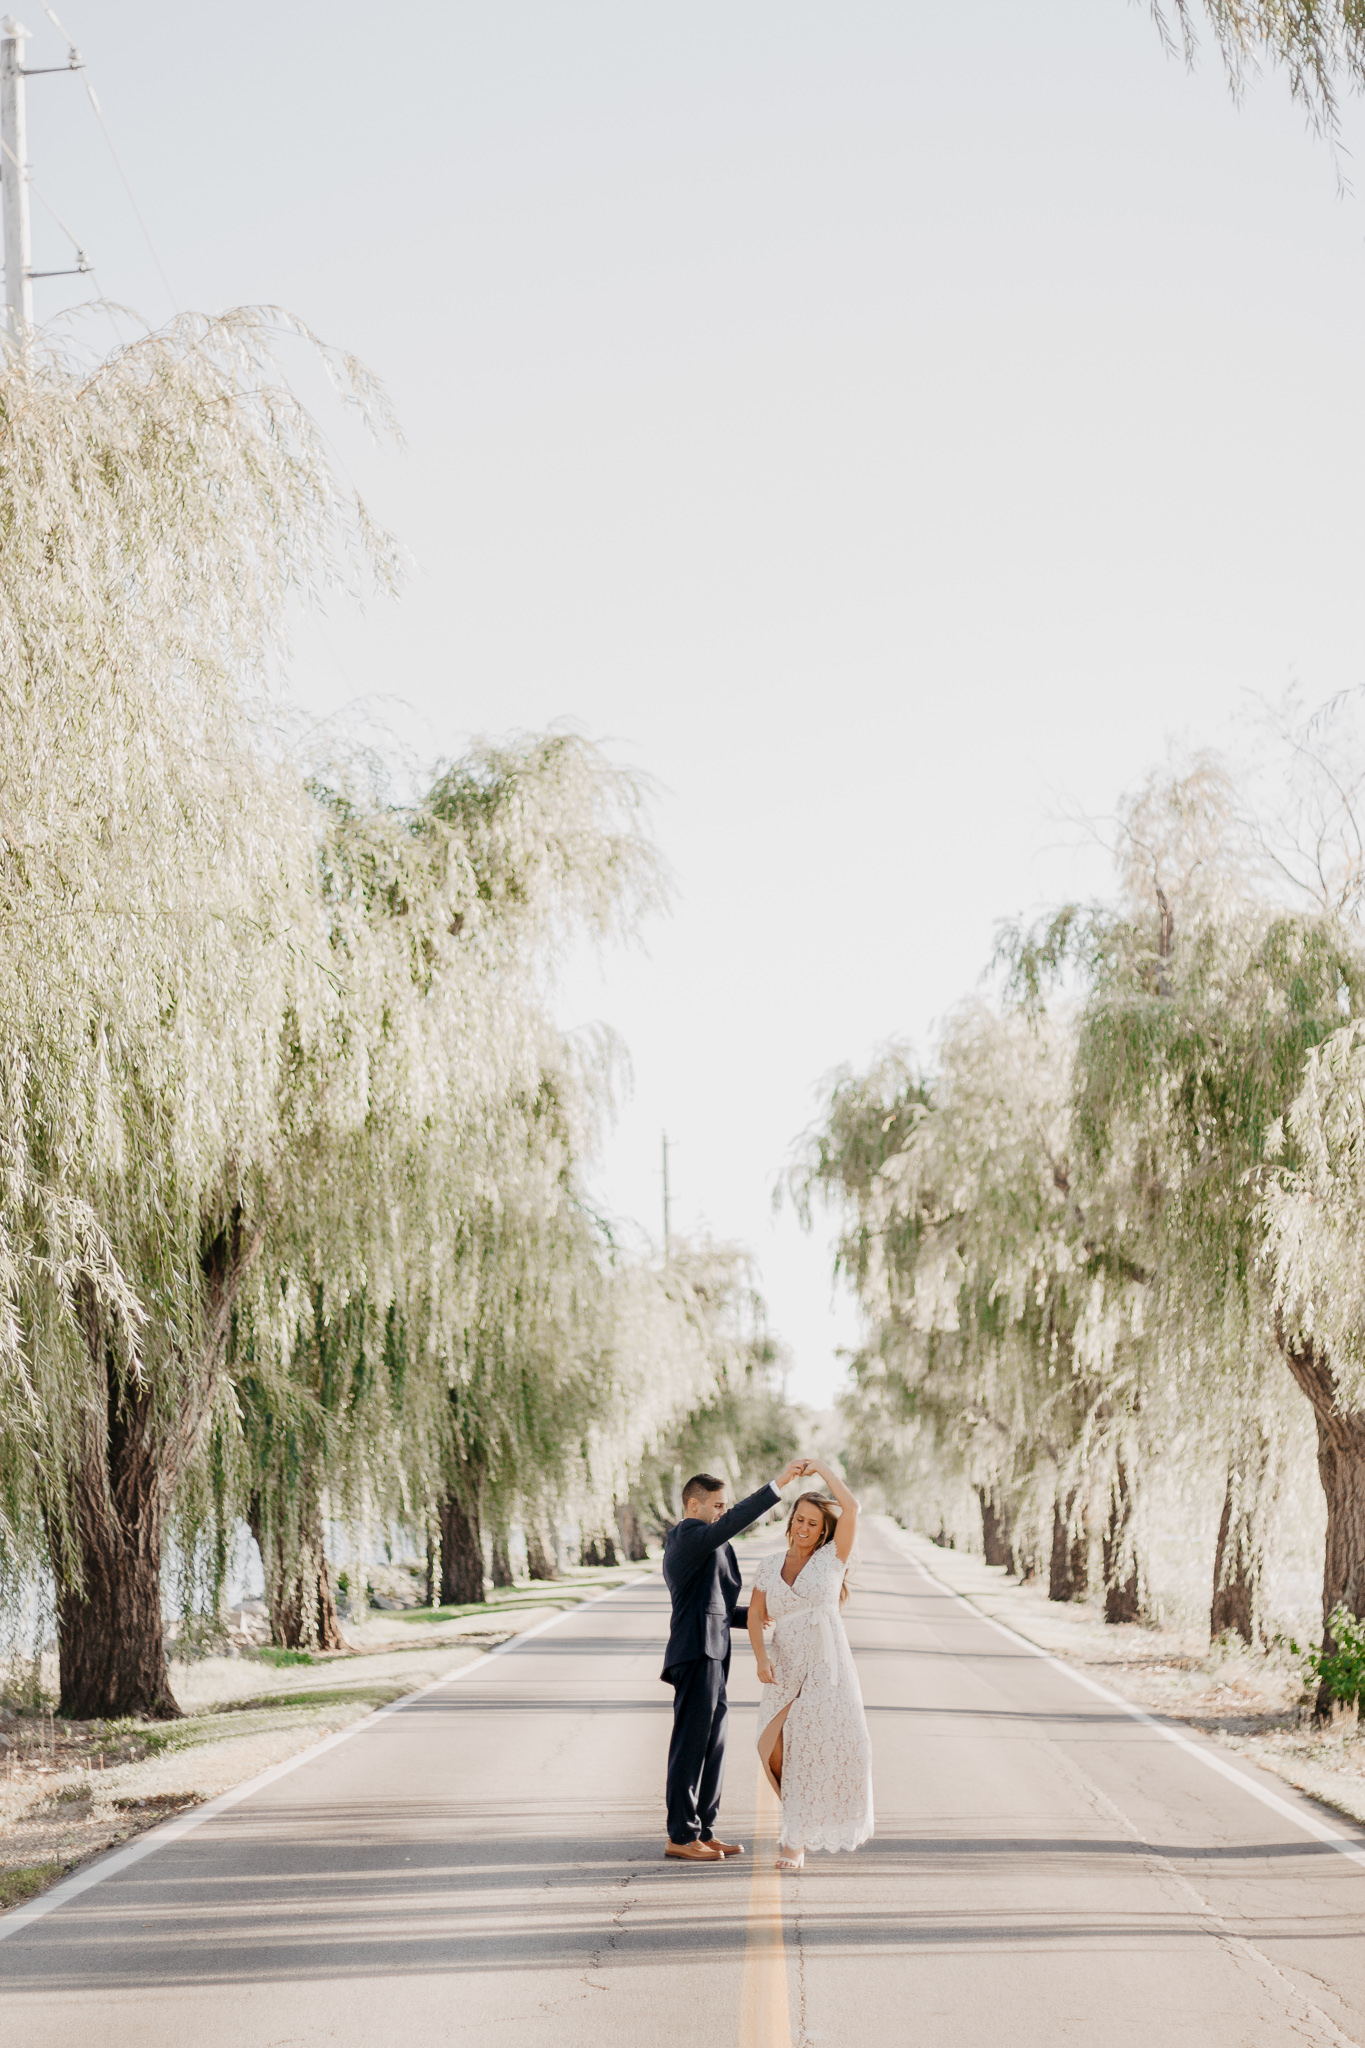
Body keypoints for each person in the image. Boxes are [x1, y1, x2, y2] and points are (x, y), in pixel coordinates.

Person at [660, 1459, 812, 1863]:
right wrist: (778, 1484)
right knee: (690, 1746)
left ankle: (703, 1831)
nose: (723, 1513)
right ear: (693, 1506)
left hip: (713, 1650)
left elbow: (718, 1606)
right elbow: (734, 1524)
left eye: (725, 1506)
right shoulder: (688, 1537)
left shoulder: (710, 1543)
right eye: (717, 1506)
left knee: (714, 1744)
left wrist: (754, 1617)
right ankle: (680, 1834)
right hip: (694, 1653)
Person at [748, 1459, 874, 1871]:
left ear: (823, 1531)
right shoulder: (769, 1565)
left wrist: (821, 1469)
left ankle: (795, 1839)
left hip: (826, 1662)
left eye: (813, 1523)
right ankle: (799, 1819)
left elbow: (851, 1508)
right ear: (791, 1522)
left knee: (814, 1746)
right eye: (799, 1519)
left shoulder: (832, 1560)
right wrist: (761, 1658)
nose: (804, 1528)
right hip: (784, 1662)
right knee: (773, 1747)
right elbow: (755, 1614)